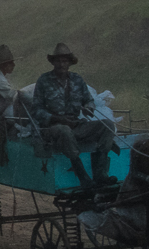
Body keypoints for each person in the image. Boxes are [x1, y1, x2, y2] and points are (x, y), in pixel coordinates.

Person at [29, 42, 117, 189]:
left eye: (64, 61)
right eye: (58, 61)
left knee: (107, 125)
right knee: (65, 131)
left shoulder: (77, 79)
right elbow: (36, 110)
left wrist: (89, 107)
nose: (61, 64)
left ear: (70, 63)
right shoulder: (44, 81)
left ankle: (100, 174)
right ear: (53, 62)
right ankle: (83, 178)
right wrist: (56, 118)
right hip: (52, 129)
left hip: (76, 124)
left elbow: (88, 100)